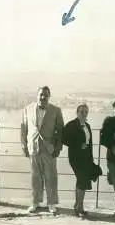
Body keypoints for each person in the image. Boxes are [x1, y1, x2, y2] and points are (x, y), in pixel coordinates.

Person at [20, 86, 65, 214]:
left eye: (45, 95)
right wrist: (24, 145)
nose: (43, 97)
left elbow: (60, 130)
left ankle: (51, 203)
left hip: (49, 149)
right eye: (41, 94)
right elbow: (23, 128)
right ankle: (35, 202)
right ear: (37, 95)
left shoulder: (56, 110)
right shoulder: (27, 109)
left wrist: (58, 147)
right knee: (35, 177)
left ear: (49, 96)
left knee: (51, 177)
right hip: (33, 148)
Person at [62, 104, 96, 218]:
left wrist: (91, 159)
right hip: (76, 157)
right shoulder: (71, 125)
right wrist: (77, 145)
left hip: (86, 157)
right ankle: (79, 207)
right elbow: (63, 139)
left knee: (82, 181)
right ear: (77, 113)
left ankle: (77, 205)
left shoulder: (87, 125)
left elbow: (89, 143)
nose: (83, 114)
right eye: (81, 112)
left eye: (86, 112)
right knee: (82, 180)